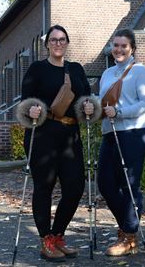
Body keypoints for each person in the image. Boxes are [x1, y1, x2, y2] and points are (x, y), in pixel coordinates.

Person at [19, 25, 94, 262]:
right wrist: (31, 108)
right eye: (53, 40)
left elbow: (85, 98)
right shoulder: (37, 69)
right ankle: (46, 240)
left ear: (67, 43)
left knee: (75, 187)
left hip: (70, 135)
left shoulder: (77, 69)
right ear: (47, 44)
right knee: (44, 187)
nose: (58, 43)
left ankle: (58, 235)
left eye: (62, 40)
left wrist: (89, 107)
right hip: (43, 135)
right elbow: (25, 101)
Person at [98, 29, 145, 256]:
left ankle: (129, 236)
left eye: (124, 46)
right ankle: (127, 227)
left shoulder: (140, 72)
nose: (119, 49)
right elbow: (103, 103)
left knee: (129, 186)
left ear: (132, 49)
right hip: (109, 134)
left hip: (134, 133)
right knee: (105, 184)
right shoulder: (106, 73)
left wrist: (119, 111)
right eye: (116, 45)